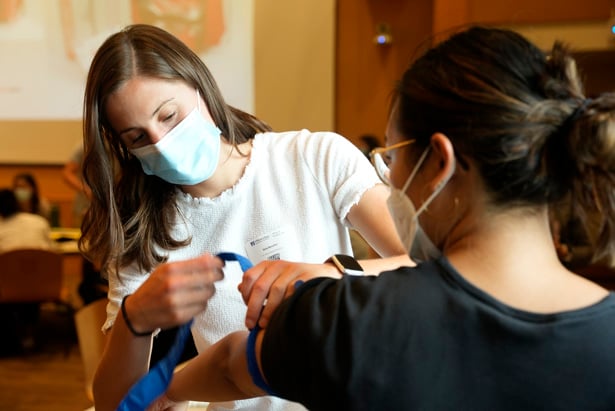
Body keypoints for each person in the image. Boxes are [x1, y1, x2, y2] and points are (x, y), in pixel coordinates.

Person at [152, 26, 615, 410]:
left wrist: (165, 390)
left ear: (438, 163)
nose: (389, 181)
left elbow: (230, 367)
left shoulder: (349, 317)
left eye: (392, 158)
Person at [81, 24, 409, 411]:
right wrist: (132, 321)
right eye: (138, 138)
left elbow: (433, 269)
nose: (162, 144)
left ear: (200, 86)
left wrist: (334, 275)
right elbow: (114, 403)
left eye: (169, 115)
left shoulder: (314, 157)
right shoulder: (144, 231)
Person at [0, 188, 54, 354]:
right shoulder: (39, 222)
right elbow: (52, 251)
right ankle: (28, 333)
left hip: (7, 288)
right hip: (42, 285)